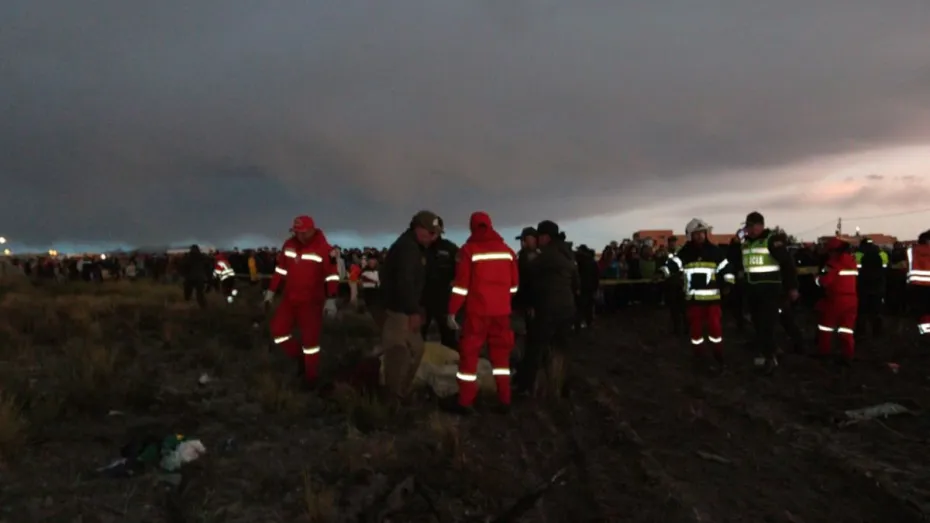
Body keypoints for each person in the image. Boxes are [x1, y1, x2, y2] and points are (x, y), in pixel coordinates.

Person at [442, 211, 519, 414]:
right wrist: (501, 299)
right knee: (501, 357)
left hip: (477, 313)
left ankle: (466, 401)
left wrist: (452, 311)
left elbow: (461, 287)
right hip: (501, 313)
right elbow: (514, 286)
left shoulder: (469, 251)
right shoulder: (508, 251)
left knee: (469, 356)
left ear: (472, 227)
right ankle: (505, 399)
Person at [264, 215, 341, 389]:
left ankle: (311, 378)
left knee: (310, 343)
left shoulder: (324, 249)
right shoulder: (289, 245)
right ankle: (300, 358)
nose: (299, 236)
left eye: (303, 232)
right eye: (296, 232)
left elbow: (332, 275)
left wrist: (331, 298)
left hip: (311, 303)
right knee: (278, 331)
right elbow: (280, 270)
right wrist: (271, 291)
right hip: (289, 299)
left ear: (312, 230)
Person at [379, 210, 442, 402]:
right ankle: (392, 399)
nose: (434, 238)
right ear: (418, 228)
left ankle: (400, 393)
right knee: (398, 352)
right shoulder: (407, 249)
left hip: (405, 309)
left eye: (436, 234)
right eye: (431, 233)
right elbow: (404, 282)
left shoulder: (415, 248)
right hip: (398, 311)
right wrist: (413, 310)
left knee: (416, 349)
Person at [514, 220, 579, 396]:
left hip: (547, 310)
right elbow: (576, 284)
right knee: (563, 348)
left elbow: (529, 284)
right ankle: (563, 386)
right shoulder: (568, 255)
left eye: (539, 236)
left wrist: (521, 303)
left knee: (534, 348)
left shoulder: (543, 258)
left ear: (546, 237)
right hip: (567, 309)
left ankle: (525, 386)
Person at [663, 218, 733, 371]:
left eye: (702, 233)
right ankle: (699, 356)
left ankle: (718, 356)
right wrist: (662, 272)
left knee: (715, 329)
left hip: (713, 300)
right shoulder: (685, 252)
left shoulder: (715, 251)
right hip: (693, 301)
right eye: (697, 233)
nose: (700, 236)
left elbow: (726, 268)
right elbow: (673, 264)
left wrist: (728, 283)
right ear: (690, 235)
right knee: (695, 332)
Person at [741, 211, 799, 375]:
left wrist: (792, 287)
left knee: (766, 326)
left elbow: (787, 264)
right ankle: (771, 351)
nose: (750, 230)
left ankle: (770, 358)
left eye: (752, 226)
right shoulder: (747, 243)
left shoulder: (772, 241)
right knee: (758, 325)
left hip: (770, 291)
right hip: (753, 291)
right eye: (748, 227)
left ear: (761, 226)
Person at [814, 237, 858, 364]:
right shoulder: (852, 262)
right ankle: (848, 355)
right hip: (852, 299)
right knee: (847, 329)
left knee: (826, 327)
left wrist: (816, 279)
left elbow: (825, 281)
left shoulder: (833, 263)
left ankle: (824, 352)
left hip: (835, 299)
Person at [421, 217, 460, 349]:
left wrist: (455, 281)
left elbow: (461, 269)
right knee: (417, 336)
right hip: (421, 300)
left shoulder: (450, 248)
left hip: (444, 299)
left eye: (435, 231)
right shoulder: (417, 248)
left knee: (449, 337)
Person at [855, 238, 888, 340]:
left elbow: (855, 269)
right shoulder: (882, 253)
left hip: (863, 285)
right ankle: (877, 332)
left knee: (862, 310)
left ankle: (861, 332)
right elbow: (886, 267)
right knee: (877, 310)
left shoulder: (858, 253)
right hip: (878, 285)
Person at [905, 230, 930, 345]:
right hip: (921, 287)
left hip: (916, 287)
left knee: (922, 313)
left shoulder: (911, 251)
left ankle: (925, 334)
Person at [180, 244, 210, 309]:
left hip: (190, 277)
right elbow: (208, 266)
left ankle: (188, 303)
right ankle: (204, 307)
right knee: (200, 294)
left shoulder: (188, 257)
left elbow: (183, 266)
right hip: (200, 277)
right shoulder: (203, 257)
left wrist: (184, 274)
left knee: (187, 293)